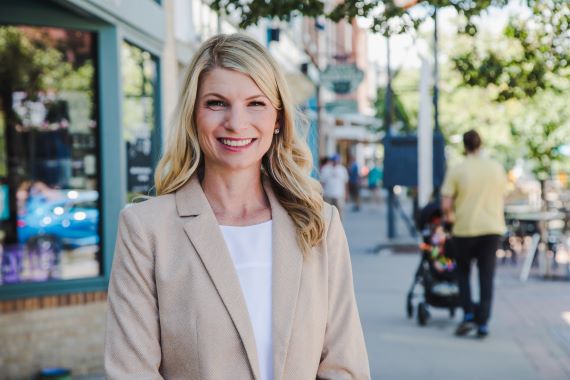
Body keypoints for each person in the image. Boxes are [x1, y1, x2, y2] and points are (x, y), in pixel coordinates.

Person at [105, 33, 370, 380]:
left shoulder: (319, 225)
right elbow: (131, 371)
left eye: (255, 103)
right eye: (216, 103)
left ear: (277, 119)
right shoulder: (147, 229)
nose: (236, 122)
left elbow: (344, 366)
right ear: (193, 115)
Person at [441, 129, 507, 338]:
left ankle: (468, 313)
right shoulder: (496, 168)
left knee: (463, 273)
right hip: (491, 228)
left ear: (464, 146)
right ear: (481, 144)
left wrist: (449, 219)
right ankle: (484, 322)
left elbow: (446, 204)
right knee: (486, 275)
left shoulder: (458, 169)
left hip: (465, 229)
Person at [321, 154, 349, 219]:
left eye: (337, 161)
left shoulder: (342, 169)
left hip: (339, 194)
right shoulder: (326, 169)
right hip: (328, 194)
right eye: (334, 161)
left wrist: (346, 193)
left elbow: (346, 182)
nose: (335, 163)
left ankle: (339, 226)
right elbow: (322, 182)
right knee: (328, 212)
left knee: (340, 210)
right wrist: (321, 193)